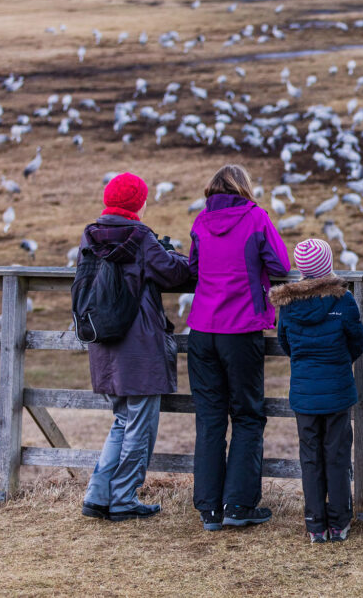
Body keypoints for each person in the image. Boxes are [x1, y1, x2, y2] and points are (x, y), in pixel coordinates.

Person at [80, 172, 191, 522]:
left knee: (121, 419)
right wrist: (174, 253)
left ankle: (98, 494)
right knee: (139, 425)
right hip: (139, 346)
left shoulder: (90, 235)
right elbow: (175, 274)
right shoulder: (140, 237)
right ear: (139, 203)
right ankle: (124, 498)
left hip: (104, 342)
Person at [186, 164, 291, 531]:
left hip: (201, 328)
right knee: (247, 415)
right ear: (243, 187)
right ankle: (239, 504)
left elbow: (193, 267)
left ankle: (209, 509)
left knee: (210, 417)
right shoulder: (255, 217)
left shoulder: (201, 221)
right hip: (241, 326)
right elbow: (281, 263)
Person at [269, 239, 363, 544]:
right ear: (328, 266)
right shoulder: (344, 301)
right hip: (337, 390)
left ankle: (315, 525)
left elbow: (286, 344)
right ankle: (339, 523)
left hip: (304, 391)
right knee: (336, 455)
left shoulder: (288, 305)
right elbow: (357, 342)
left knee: (310, 456)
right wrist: (339, 362)